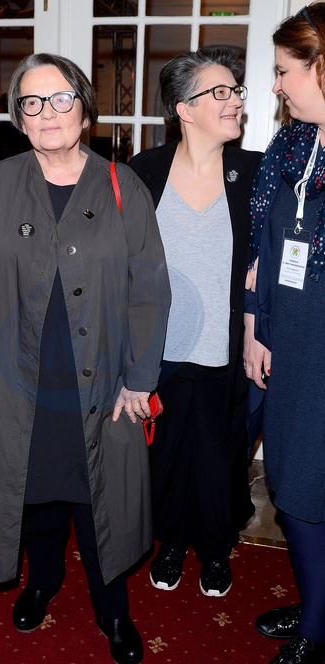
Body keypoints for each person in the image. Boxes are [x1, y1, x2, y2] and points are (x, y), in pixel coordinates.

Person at [0, 53, 171, 664]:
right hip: (17, 379)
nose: (48, 113)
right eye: (32, 102)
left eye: (61, 98)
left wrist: (140, 378)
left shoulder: (123, 187)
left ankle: (113, 610)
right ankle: (43, 580)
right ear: (19, 117)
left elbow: (151, 290)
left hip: (100, 383)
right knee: (34, 492)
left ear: (84, 107)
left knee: (99, 500)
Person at [129, 47, 261, 598]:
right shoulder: (144, 171)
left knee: (219, 457)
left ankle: (215, 548)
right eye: (220, 93)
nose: (235, 102)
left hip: (224, 349)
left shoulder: (254, 172)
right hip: (161, 350)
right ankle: (172, 542)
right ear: (184, 109)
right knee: (163, 456)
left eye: (236, 91)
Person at [244, 4, 325, 664]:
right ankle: (318, 603)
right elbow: (264, 250)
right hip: (288, 343)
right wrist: (256, 325)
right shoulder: (294, 144)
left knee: (309, 490)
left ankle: (318, 630)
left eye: (284, 71)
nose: (275, 85)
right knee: (292, 487)